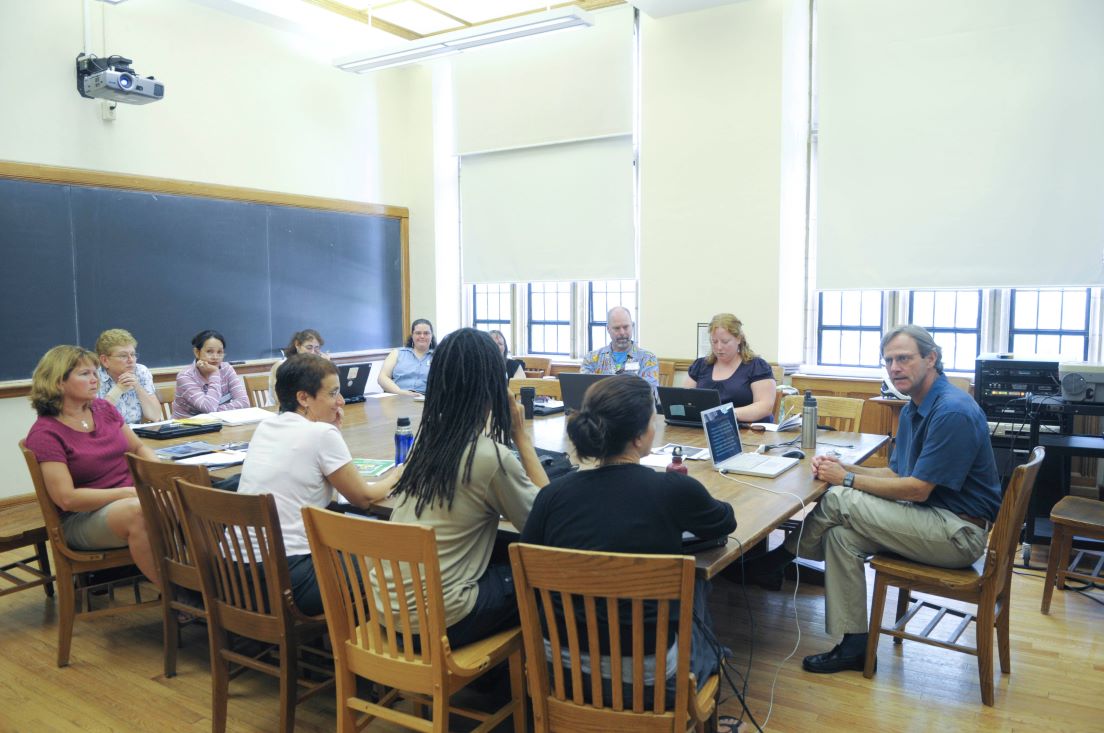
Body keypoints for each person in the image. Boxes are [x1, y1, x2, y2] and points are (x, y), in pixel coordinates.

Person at [750, 325, 1000, 674]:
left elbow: (917, 489)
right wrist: (845, 466)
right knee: (840, 538)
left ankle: (780, 558)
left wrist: (847, 479)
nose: (895, 368)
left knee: (838, 499)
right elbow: (897, 475)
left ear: (932, 358)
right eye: (889, 361)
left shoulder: (952, 411)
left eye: (904, 358)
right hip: (929, 519)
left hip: (958, 534)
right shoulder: (914, 407)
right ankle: (855, 645)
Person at [521, 375, 735, 695]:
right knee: (698, 583)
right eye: (652, 421)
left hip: (562, 668)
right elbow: (724, 522)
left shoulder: (553, 496)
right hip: (649, 677)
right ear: (638, 437)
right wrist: (689, 497)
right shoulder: (673, 489)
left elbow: (527, 562)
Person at [382, 328, 550, 648]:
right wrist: (521, 438)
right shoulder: (489, 457)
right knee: (540, 578)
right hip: (437, 622)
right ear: (494, 388)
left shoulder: (426, 440)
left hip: (388, 610)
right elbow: (546, 522)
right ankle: (516, 686)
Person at [236, 353, 402, 615]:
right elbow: (365, 498)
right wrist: (397, 475)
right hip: (290, 580)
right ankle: (368, 643)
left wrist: (332, 431)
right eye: (333, 393)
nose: (341, 401)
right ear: (303, 398)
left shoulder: (266, 426)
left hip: (238, 576)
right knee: (393, 554)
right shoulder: (320, 434)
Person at [24, 345, 161, 586]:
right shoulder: (46, 433)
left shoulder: (104, 409)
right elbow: (67, 498)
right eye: (84, 374)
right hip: (82, 518)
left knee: (190, 496)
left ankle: (212, 588)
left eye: (95, 373)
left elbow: (139, 448)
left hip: (128, 499)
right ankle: (180, 596)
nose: (95, 379)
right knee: (139, 510)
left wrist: (160, 474)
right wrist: (128, 493)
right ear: (58, 383)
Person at [683, 313, 776, 422]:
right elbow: (685, 400)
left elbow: (765, 407)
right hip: (705, 429)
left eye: (725, 341)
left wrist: (724, 414)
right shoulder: (700, 366)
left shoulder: (756, 367)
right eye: (714, 341)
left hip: (749, 431)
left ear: (739, 339)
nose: (719, 347)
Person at [171, 329, 249, 418]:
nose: (215, 357)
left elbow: (244, 402)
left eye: (219, 352)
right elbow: (208, 408)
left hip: (220, 422)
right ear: (197, 352)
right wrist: (214, 373)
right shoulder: (185, 376)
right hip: (187, 427)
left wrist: (214, 411)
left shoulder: (226, 369)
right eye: (209, 352)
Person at [580, 306, 660, 388]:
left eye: (626, 327)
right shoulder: (591, 359)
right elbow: (584, 390)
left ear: (632, 326)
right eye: (616, 328)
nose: (622, 332)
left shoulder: (648, 359)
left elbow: (650, 394)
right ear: (608, 329)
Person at [94, 328, 161, 424]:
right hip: (108, 435)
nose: (131, 360)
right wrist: (118, 389)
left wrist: (137, 386)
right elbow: (98, 420)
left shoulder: (140, 371)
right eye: (123, 356)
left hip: (138, 434)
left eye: (133, 354)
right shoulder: (94, 378)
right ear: (105, 360)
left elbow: (155, 415)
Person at [268, 328, 328, 402]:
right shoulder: (282, 366)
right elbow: (280, 400)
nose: (313, 352)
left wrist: (326, 367)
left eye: (316, 348)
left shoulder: (315, 367)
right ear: (297, 345)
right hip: (278, 410)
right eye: (309, 347)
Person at [378, 319, 434, 395]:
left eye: (426, 333)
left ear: (431, 335)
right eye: (418, 333)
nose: (422, 336)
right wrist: (401, 392)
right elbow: (382, 377)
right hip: (397, 397)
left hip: (425, 400)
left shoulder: (438, 356)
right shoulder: (397, 353)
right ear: (412, 335)